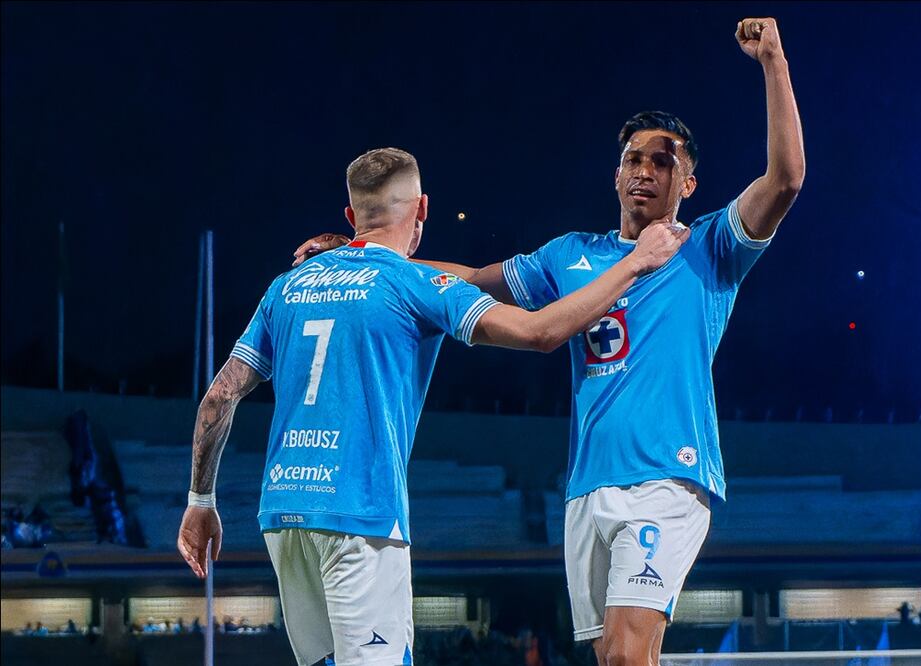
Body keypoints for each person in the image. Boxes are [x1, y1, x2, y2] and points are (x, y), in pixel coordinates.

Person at [295, 18, 803, 666]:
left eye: (662, 160)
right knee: (611, 656)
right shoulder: (571, 256)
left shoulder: (709, 247)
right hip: (587, 485)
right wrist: (361, 252)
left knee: (626, 653)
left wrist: (772, 62)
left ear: (688, 183)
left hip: (668, 477)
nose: (644, 171)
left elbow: (785, 179)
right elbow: (474, 279)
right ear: (615, 175)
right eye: (632, 159)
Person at [177, 148, 688, 666]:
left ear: (351, 217)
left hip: (283, 516)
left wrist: (200, 500)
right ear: (422, 208)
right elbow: (541, 332)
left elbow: (219, 396)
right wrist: (636, 262)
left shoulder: (286, 286)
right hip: (360, 517)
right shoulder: (416, 285)